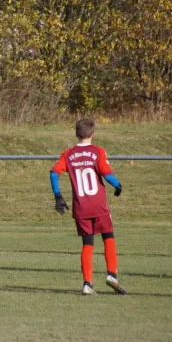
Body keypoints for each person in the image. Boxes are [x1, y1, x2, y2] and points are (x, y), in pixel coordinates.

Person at [50, 119, 126, 295]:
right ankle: (112, 275)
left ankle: (87, 284)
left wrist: (58, 197)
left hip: (80, 207)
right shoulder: (98, 151)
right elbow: (106, 173)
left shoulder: (68, 153)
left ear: (76, 134)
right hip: (98, 204)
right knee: (108, 236)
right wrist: (118, 185)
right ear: (93, 134)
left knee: (87, 242)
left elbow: (54, 173)